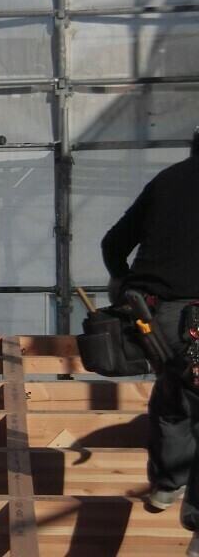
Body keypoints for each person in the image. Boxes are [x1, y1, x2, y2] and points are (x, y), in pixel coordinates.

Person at [100, 126, 199, 556]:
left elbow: (113, 243)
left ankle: (167, 485)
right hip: (193, 318)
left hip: (153, 316)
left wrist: (120, 280)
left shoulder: (168, 180)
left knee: (173, 395)